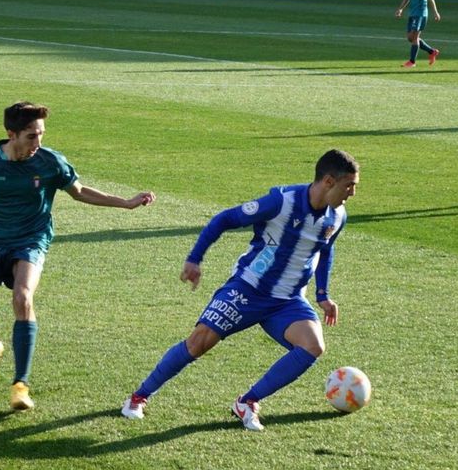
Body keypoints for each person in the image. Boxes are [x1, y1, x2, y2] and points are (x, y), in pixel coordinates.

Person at [0, 101, 156, 411]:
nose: (39, 142)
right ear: (12, 134)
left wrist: (127, 203)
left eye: (42, 134)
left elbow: (79, 191)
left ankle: (20, 386)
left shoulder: (50, 163)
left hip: (31, 241)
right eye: (32, 136)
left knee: (23, 297)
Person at [121, 149, 359, 431]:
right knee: (198, 343)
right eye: (349, 186)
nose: (352, 193)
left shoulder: (337, 216)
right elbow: (224, 219)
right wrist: (195, 259)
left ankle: (247, 402)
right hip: (248, 290)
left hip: (288, 301)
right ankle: (138, 397)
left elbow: (325, 250)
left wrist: (323, 295)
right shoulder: (282, 202)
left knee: (312, 346)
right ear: (329, 181)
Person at [395, 0, 441, 68]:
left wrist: (435, 12)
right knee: (410, 38)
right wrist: (401, 9)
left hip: (421, 13)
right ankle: (432, 51)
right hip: (412, 12)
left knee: (415, 37)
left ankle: (412, 62)